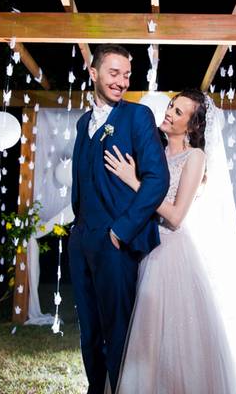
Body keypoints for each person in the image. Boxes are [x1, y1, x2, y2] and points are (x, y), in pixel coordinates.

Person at [104, 89, 236, 393]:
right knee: (142, 339)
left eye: (178, 112)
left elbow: (177, 215)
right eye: (170, 106)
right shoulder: (152, 151)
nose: (168, 113)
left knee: (170, 339)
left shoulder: (195, 157)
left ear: (193, 125)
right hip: (142, 247)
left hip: (170, 252)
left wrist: (134, 181)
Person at [69, 44, 170, 394]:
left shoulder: (137, 116)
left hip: (114, 241)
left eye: (127, 75)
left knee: (118, 329)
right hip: (81, 239)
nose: (122, 81)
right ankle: (97, 388)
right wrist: (76, 230)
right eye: (114, 73)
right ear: (93, 73)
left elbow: (158, 179)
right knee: (89, 329)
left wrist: (121, 230)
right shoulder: (84, 123)